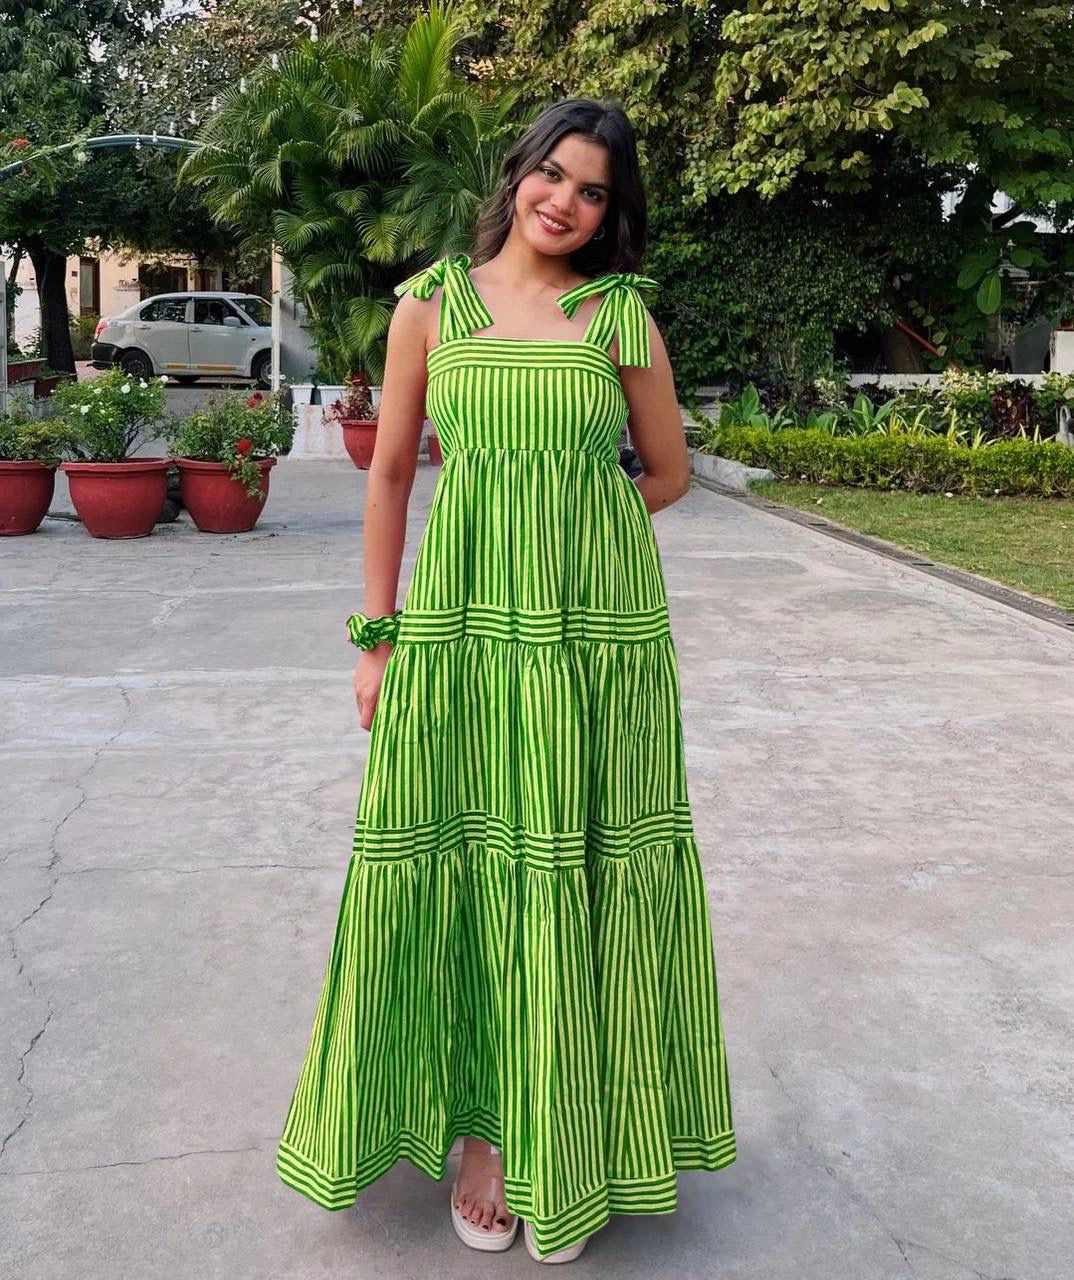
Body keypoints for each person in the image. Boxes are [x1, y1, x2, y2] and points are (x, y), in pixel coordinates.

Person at [276, 97, 736, 1264]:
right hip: (463, 633)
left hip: (596, 642)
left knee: (578, 865)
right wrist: (376, 636)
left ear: (610, 213)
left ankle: (569, 1138)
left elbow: (670, 473)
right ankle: (484, 1140)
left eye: (595, 193)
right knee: (474, 863)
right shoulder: (431, 303)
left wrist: (575, 540)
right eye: (555, 176)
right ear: (519, 171)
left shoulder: (618, 315)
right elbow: (388, 478)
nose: (567, 203)